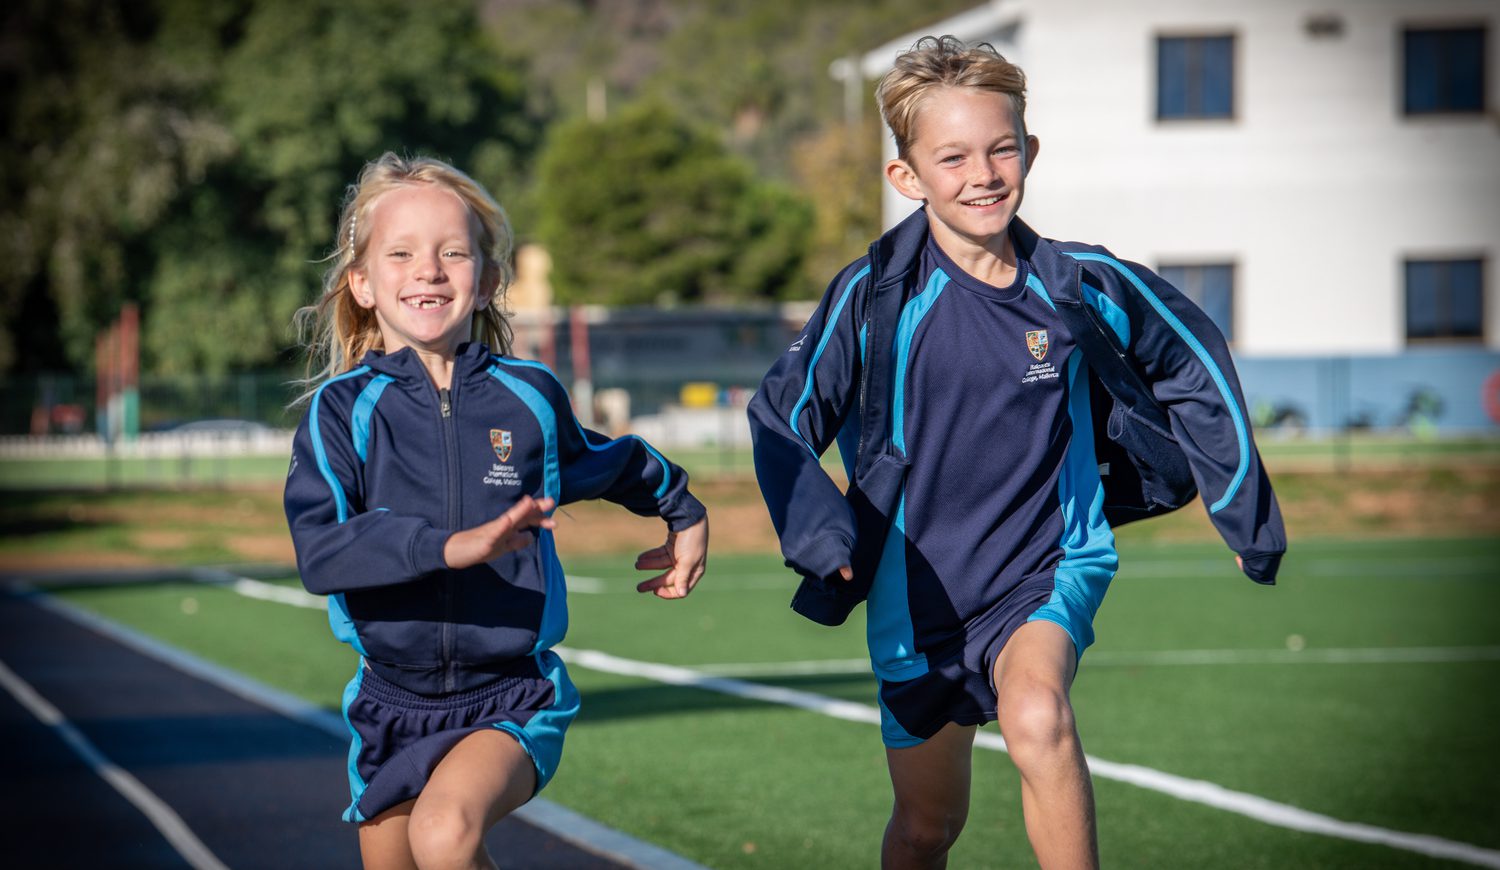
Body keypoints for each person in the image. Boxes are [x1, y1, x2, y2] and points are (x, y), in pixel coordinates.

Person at [748, 36, 1284, 869]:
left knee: (1037, 716)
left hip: (1049, 563)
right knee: (928, 828)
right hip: (915, 594)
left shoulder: (1082, 285)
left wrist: (1243, 513)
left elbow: (1193, 363)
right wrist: (822, 536)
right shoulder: (873, 295)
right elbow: (783, 415)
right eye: (953, 157)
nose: (984, 173)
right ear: (908, 178)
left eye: (1002, 149)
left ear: (1029, 151)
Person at [284, 152, 709, 870]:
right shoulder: (340, 412)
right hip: (388, 702)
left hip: (511, 694)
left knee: (444, 833)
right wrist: (448, 547)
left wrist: (683, 510)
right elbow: (321, 552)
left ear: (485, 281)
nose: (429, 270)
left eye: (453, 253)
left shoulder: (528, 397)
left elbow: (609, 463)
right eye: (402, 253)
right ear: (362, 283)